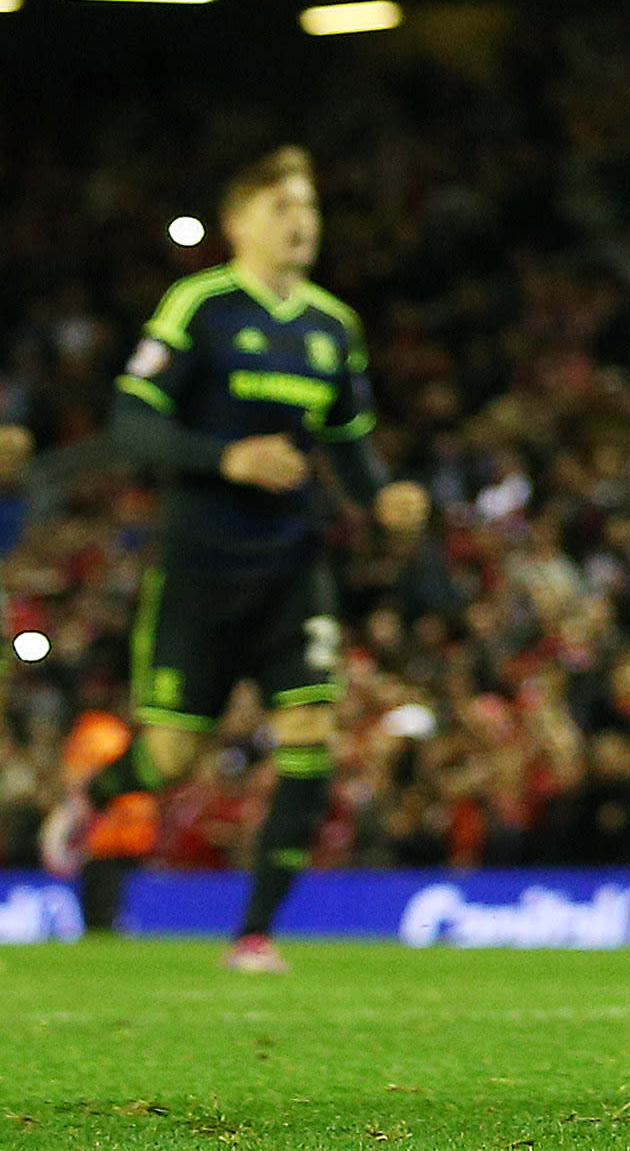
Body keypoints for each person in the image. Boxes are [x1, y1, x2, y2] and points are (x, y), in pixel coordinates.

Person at [49, 148, 426, 970]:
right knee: (172, 756)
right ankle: (93, 796)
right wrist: (229, 458)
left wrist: (382, 496)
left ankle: (254, 933)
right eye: (282, 207)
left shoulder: (332, 325)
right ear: (238, 222)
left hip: (292, 562)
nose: (301, 222)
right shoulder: (201, 305)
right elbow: (130, 421)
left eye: (309, 208)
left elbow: (350, 442)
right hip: (200, 566)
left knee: (311, 730)